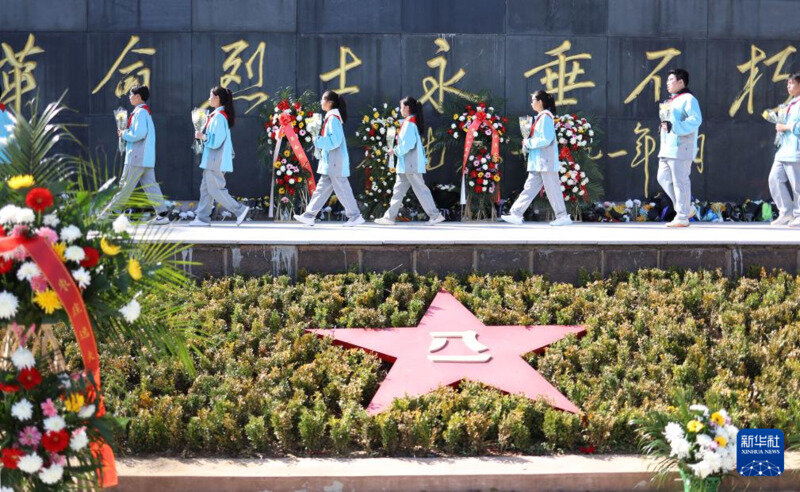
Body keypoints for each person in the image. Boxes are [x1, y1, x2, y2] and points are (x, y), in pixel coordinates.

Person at [501, 90, 572, 226]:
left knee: (552, 190)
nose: (531, 103)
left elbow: (546, 139)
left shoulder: (545, 117)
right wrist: (527, 144)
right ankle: (516, 214)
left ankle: (562, 216)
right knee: (529, 188)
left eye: (533, 100)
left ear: (540, 102)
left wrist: (528, 143)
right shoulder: (541, 117)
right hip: (539, 161)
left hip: (545, 161)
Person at [294, 90, 364, 226]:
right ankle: (309, 215)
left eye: (323, 99)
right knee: (321, 190)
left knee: (342, 189)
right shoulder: (331, 118)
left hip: (334, 161)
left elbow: (335, 141)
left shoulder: (332, 119)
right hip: (331, 161)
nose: (321, 102)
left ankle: (355, 216)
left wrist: (317, 140)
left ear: (330, 102)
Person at [102, 85, 169, 224]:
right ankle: (162, 214)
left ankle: (113, 212)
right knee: (150, 186)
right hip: (145, 157)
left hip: (137, 156)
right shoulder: (144, 112)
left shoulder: (140, 113)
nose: (129, 97)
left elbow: (139, 133)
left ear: (138, 97)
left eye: (131, 95)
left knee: (125, 184)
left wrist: (124, 133)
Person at [375, 96, 444, 225]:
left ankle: (435, 215)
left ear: (407, 108)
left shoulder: (409, 124)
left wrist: (395, 151)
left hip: (410, 164)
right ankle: (389, 217)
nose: (400, 109)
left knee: (419, 190)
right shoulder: (410, 123)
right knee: (399, 191)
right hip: (407, 164)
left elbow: (408, 144)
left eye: (401, 107)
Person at [190, 86, 250, 226]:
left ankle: (240, 210)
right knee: (206, 189)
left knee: (215, 189)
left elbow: (216, 141)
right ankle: (202, 218)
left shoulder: (218, 117)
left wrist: (202, 136)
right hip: (213, 159)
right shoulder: (218, 116)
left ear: (217, 98)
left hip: (215, 159)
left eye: (211, 96)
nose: (209, 99)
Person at [656, 68, 703, 228]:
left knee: (680, 182)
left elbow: (696, 120)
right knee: (663, 177)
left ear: (681, 82)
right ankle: (686, 209)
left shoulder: (689, 99)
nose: (667, 83)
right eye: (667, 80)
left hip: (681, 147)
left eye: (671, 80)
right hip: (667, 148)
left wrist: (674, 127)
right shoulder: (672, 100)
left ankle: (682, 216)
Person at [769, 73, 800, 227]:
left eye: (791, 83)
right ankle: (786, 212)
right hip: (783, 150)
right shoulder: (791, 103)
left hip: (796, 151)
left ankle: (798, 214)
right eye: (787, 83)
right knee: (774, 179)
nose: (788, 86)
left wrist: (785, 127)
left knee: (797, 185)